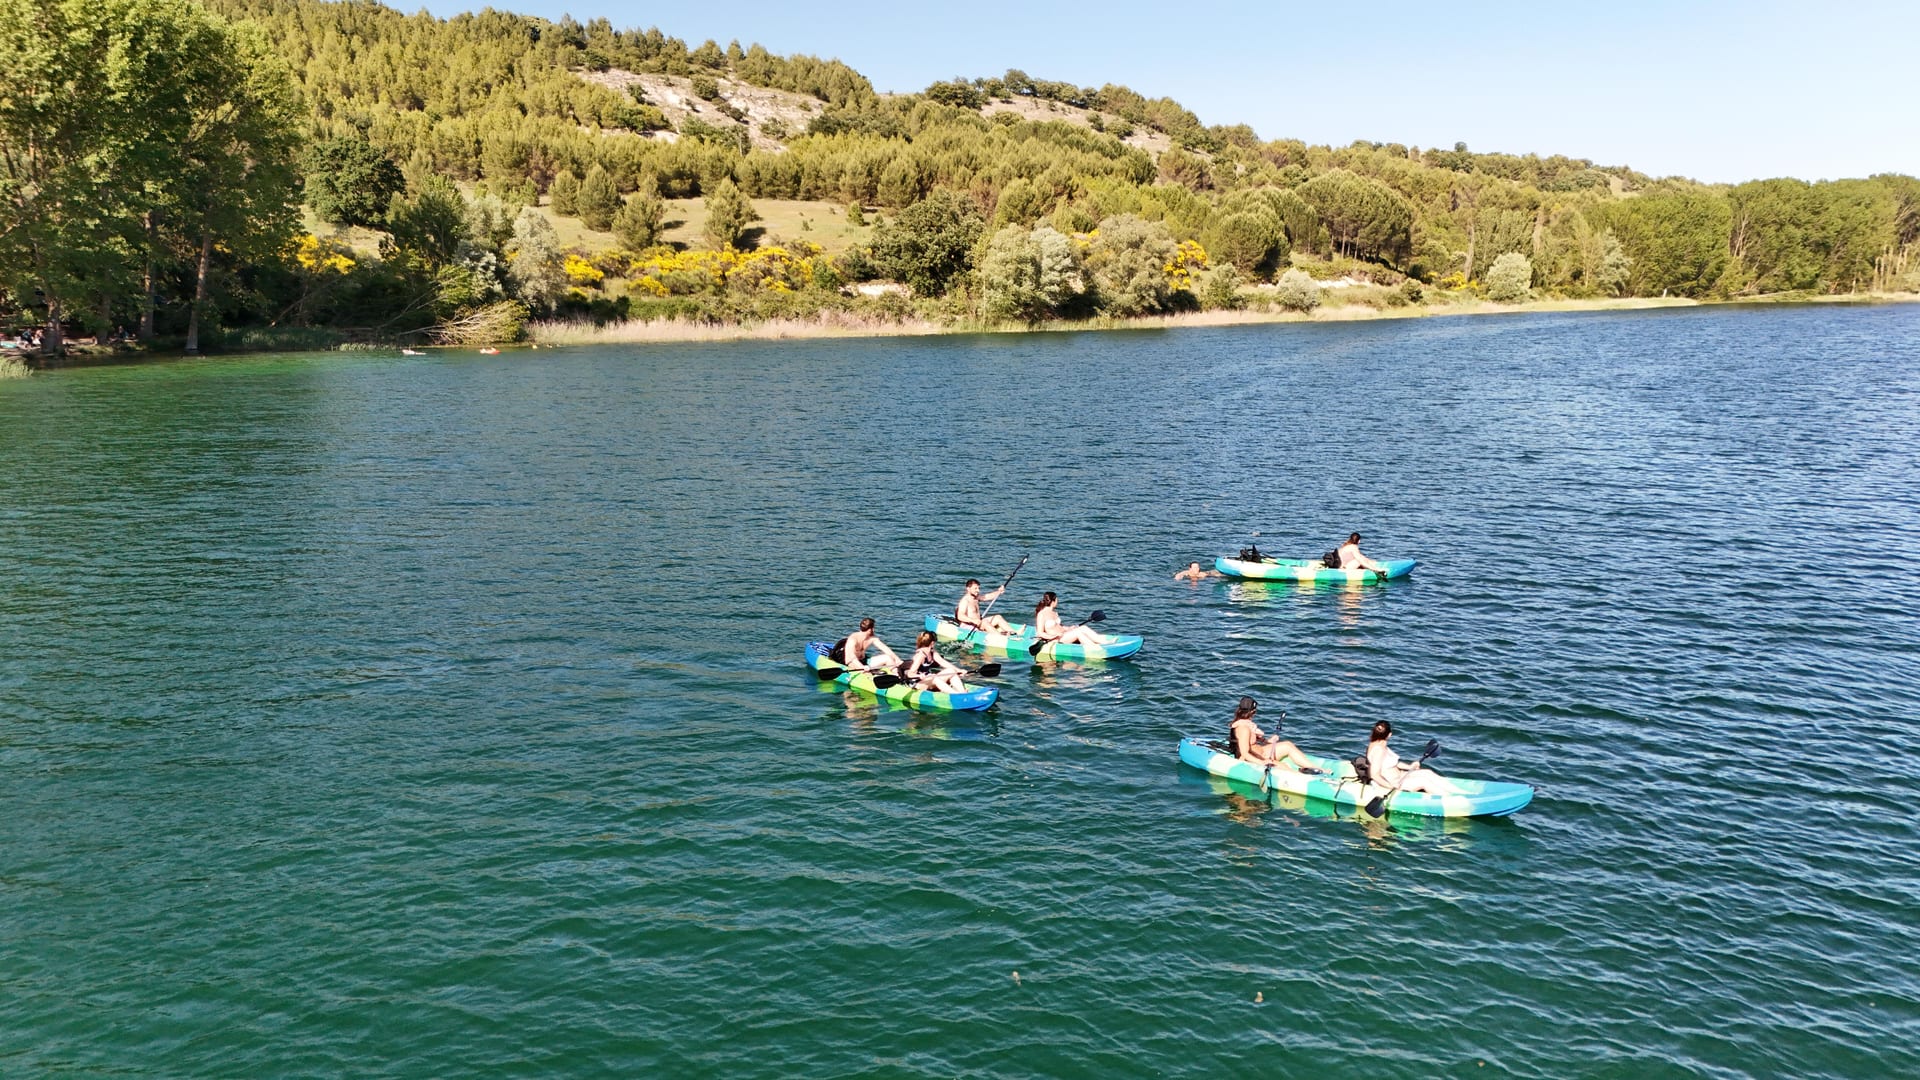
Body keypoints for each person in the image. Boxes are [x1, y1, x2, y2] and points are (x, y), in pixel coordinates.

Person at [1365, 720, 1453, 795]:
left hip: (1400, 776)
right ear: (1389, 735)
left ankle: (1460, 793)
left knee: (1427, 773)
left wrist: (1410, 767)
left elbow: (1393, 763)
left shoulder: (1380, 745)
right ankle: (1450, 799)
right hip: (1394, 783)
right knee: (1423, 781)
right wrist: (1391, 786)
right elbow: (1374, 774)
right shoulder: (1378, 750)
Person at [1229, 696, 1316, 770]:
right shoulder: (1243, 729)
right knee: (1283, 766)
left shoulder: (1247, 725)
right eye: (1254, 712)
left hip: (1261, 752)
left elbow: (1256, 742)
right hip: (1251, 759)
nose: (1254, 714)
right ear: (1251, 712)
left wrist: (1269, 741)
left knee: (1287, 745)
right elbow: (1245, 753)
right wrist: (1262, 762)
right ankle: (1302, 778)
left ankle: (1314, 768)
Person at [1031, 592, 1109, 647]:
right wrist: (1053, 636)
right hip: (1056, 639)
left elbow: (1058, 626)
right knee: (1079, 633)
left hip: (1064, 634)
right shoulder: (1042, 614)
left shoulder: (1055, 613)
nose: (1058, 602)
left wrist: (1069, 628)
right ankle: (1095, 648)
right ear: (1053, 601)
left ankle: (1104, 642)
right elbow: (1040, 633)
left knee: (1083, 628)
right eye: (1057, 600)